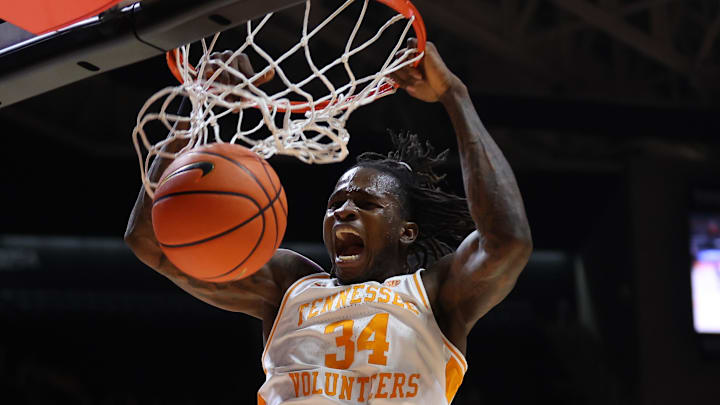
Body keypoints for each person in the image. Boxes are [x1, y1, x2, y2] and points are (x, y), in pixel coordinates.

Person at [124, 39, 532, 404]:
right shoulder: (290, 284)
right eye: (336, 202)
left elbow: (508, 241)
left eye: (367, 204)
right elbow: (150, 242)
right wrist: (200, 103)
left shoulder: (434, 293)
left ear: (406, 231)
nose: (344, 211)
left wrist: (453, 95)